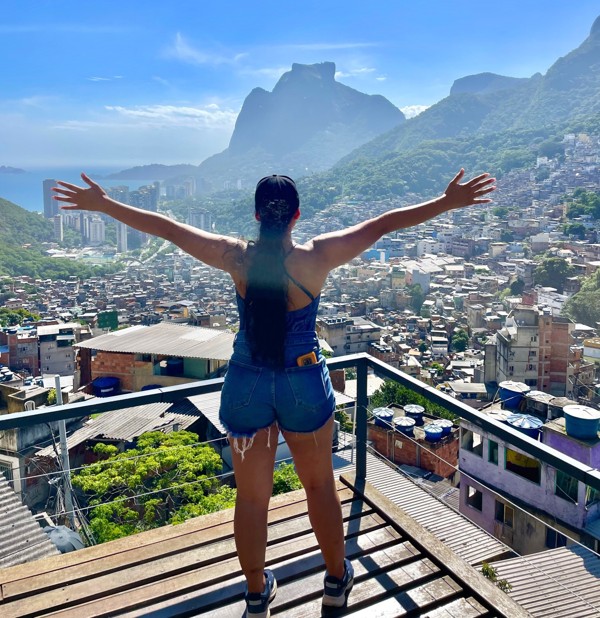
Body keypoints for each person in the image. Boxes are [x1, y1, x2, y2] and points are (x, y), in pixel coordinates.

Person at [53, 169, 495, 617]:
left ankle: (255, 594)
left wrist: (104, 204)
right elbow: (382, 224)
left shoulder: (234, 256)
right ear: (296, 216)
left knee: (251, 498)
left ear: (257, 215)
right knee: (319, 486)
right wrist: (446, 202)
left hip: (247, 382)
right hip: (303, 380)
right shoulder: (318, 256)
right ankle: (336, 581)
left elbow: (168, 229)